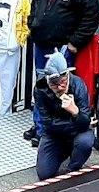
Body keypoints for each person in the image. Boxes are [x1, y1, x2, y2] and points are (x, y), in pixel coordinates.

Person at [29, 51, 93, 180]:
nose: (59, 87)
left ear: (68, 75)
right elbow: (48, 125)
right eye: (54, 84)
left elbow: (85, 122)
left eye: (63, 82)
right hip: (55, 134)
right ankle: (65, 150)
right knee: (44, 174)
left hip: (75, 132)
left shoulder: (78, 85)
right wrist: (76, 122)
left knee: (85, 141)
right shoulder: (40, 89)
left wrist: (74, 111)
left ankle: (73, 167)